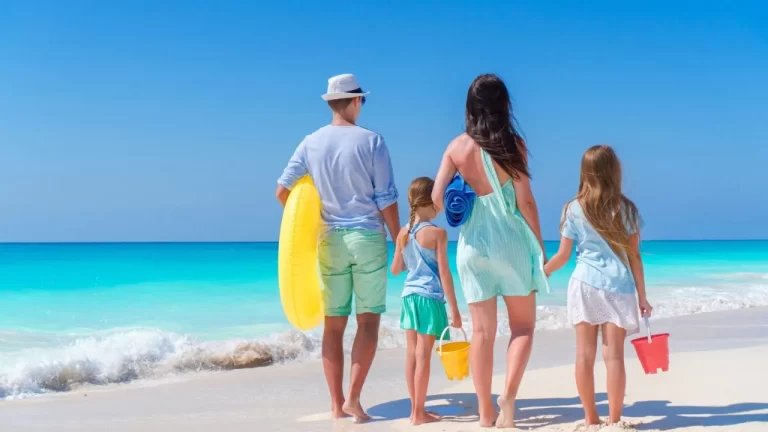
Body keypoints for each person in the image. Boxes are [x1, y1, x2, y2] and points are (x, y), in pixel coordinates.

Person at [275, 74, 400, 422]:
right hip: (367, 239)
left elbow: (282, 192)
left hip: (329, 241)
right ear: (356, 101)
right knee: (369, 321)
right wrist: (400, 239)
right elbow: (386, 198)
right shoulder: (373, 141)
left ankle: (336, 404)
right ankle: (355, 400)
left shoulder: (310, 143)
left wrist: (305, 229)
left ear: (331, 102)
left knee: (333, 326)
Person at [432, 74, 549, 428]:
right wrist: (540, 247)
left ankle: (485, 413)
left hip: (473, 246)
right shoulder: (514, 145)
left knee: (482, 333)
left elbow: (436, 201)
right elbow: (526, 201)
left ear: (470, 107)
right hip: (511, 243)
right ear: (504, 105)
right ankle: (508, 398)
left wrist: (462, 188)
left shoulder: (456, 148)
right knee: (523, 328)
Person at [544, 145, 652, 426]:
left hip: (584, 285)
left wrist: (540, 273)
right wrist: (643, 296)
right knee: (614, 356)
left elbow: (563, 256)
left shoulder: (572, 208)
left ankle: (591, 417)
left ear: (585, 172)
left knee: (584, 354)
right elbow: (634, 257)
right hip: (618, 285)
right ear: (614, 171)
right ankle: (615, 419)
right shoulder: (626, 208)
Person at [390, 177, 462, 426]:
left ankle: (414, 410)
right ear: (431, 201)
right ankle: (419, 413)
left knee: (412, 354)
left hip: (408, 298)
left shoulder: (403, 232)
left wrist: (402, 248)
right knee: (424, 357)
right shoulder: (438, 234)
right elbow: (444, 274)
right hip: (429, 299)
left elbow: (396, 269)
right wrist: (454, 308)